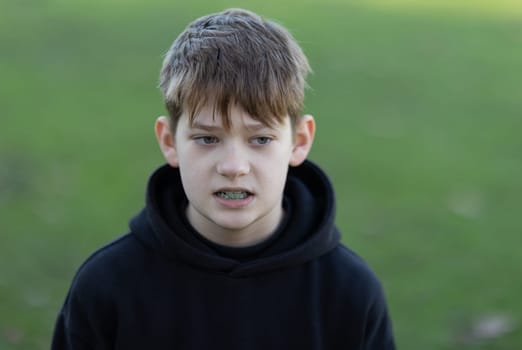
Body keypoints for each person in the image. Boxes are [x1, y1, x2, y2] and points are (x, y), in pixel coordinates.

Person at [51, 8, 396, 349]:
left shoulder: (350, 292)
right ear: (169, 142)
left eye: (260, 139)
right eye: (207, 139)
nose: (233, 167)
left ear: (299, 141)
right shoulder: (106, 287)